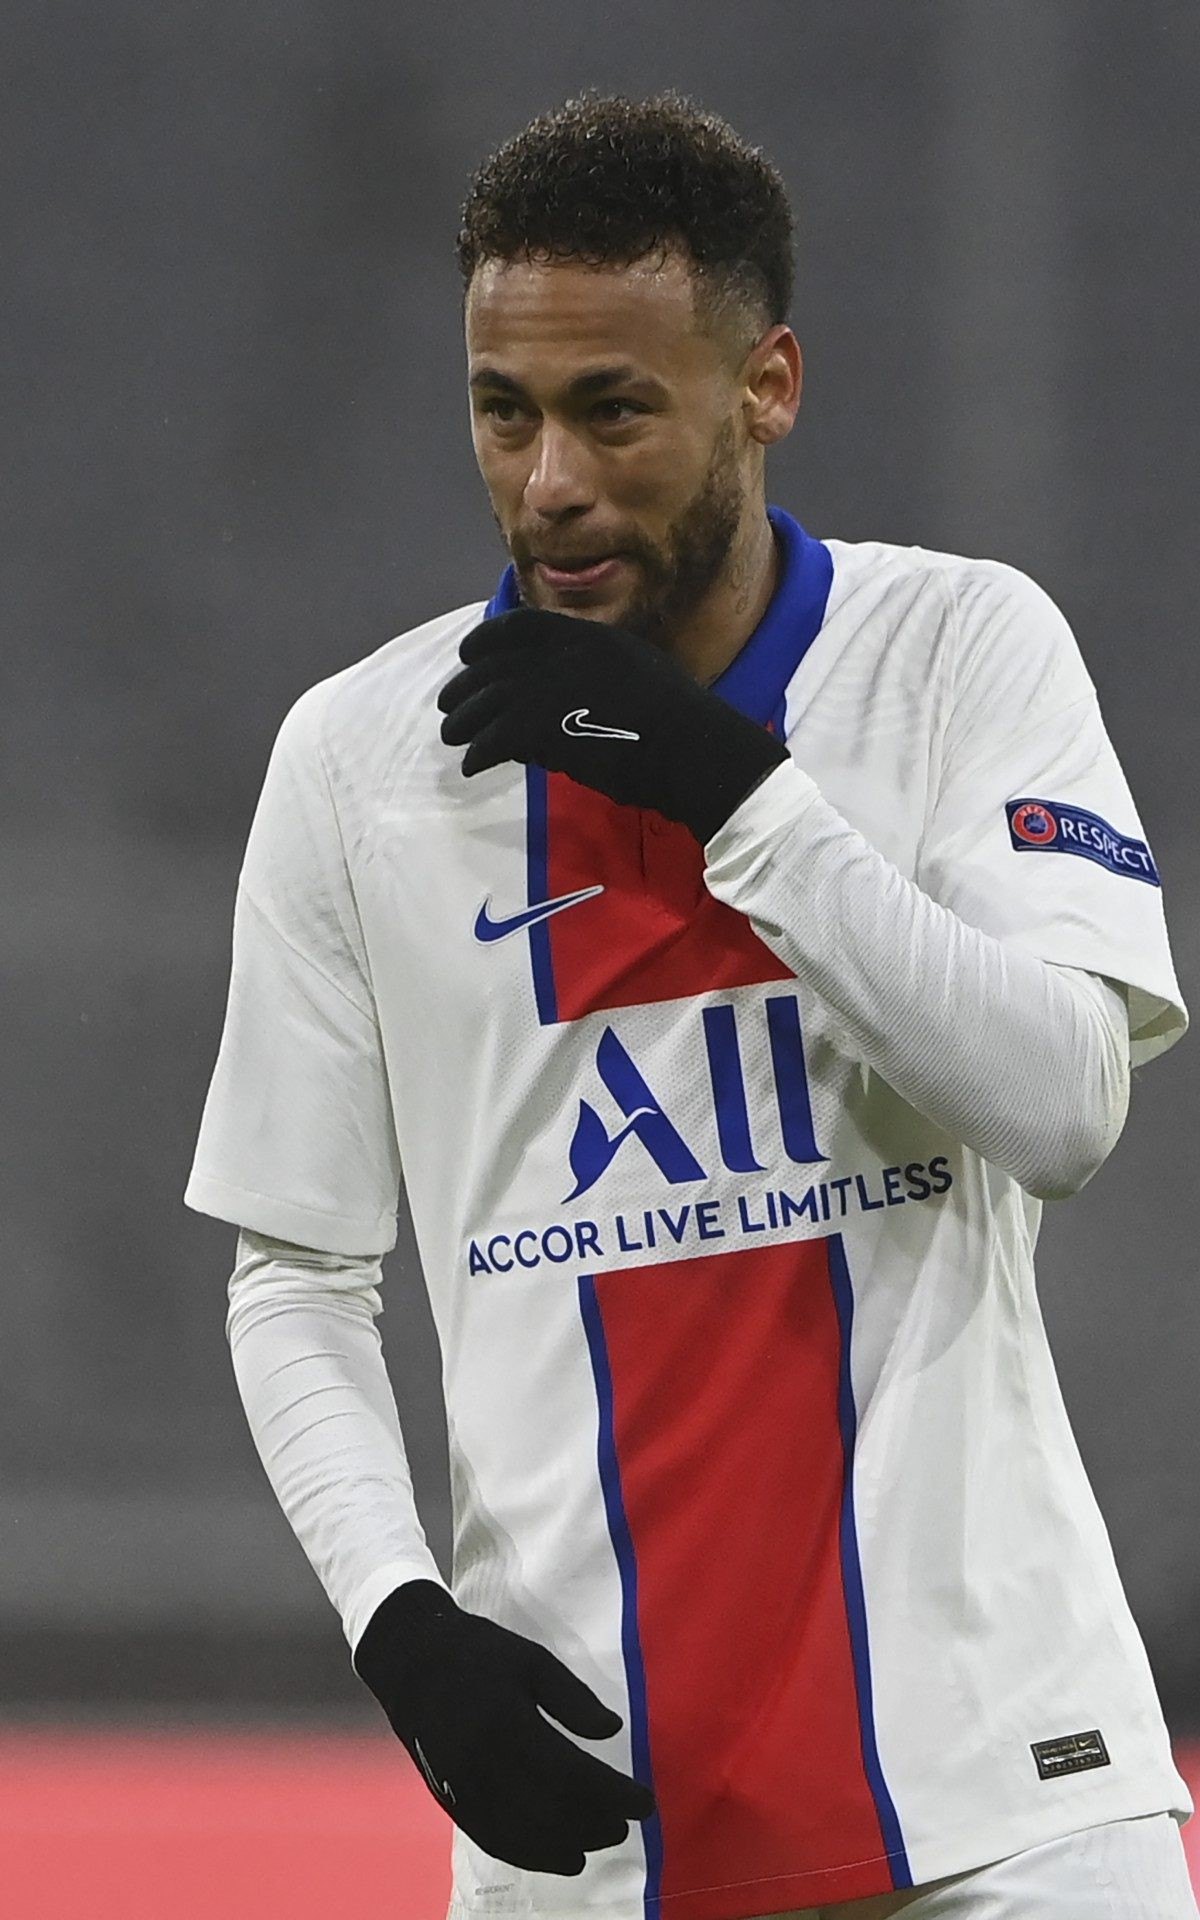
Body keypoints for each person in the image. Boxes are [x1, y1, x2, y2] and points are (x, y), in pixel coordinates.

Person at [183, 91, 1197, 1920]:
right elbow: (297, 1277)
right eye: (506, 409)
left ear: (768, 384)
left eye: (613, 408)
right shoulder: (355, 763)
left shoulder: (958, 652)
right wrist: (399, 1624)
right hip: (591, 1829)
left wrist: (741, 797)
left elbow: (1063, 1106)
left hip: (1011, 1806)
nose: (548, 478)